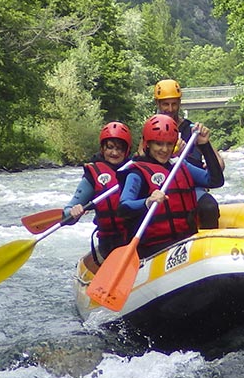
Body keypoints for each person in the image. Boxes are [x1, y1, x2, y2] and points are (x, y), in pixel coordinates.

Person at [118, 113, 225, 258]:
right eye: (159, 143)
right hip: (154, 249)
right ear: (147, 144)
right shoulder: (137, 172)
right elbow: (124, 208)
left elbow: (215, 181)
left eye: (169, 144)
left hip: (185, 242)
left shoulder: (179, 165)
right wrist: (147, 202)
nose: (164, 149)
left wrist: (204, 145)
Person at [153, 79, 223, 228]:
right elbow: (142, 159)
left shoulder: (192, 130)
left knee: (209, 207)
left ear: (179, 103)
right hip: (164, 186)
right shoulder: (152, 129)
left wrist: (205, 146)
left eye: (174, 104)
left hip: (193, 185)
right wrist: (173, 155)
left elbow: (220, 165)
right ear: (158, 104)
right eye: (165, 104)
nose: (170, 109)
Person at [63, 121, 134, 264]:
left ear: (126, 151)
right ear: (102, 148)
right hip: (109, 243)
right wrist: (73, 211)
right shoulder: (93, 175)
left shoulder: (136, 170)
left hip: (136, 238)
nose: (114, 152)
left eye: (120, 149)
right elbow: (67, 211)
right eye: (110, 147)